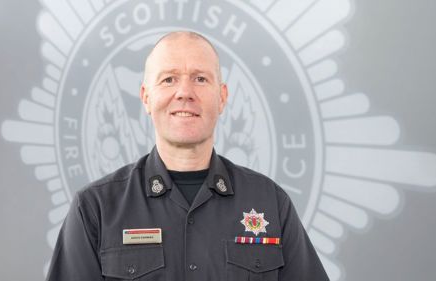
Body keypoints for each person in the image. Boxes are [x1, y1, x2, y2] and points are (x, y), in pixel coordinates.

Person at [46, 31, 329, 281]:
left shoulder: (269, 202)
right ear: (146, 98)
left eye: (200, 78)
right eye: (169, 79)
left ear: (222, 97)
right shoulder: (96, 208)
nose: (185, 92)